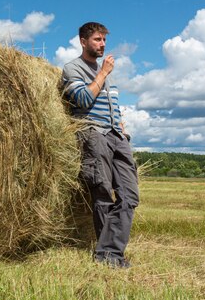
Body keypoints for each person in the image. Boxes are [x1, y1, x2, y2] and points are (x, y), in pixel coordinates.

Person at [61, 21, 139, 268]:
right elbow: (82, 100)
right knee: (102, 192)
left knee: (130, 195)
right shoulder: (72, 68)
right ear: (83, 41)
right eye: (97, 40)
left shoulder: (106, 74)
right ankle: (110, 256)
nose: (102, 44)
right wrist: (102, 73)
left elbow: (114, 106)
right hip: (93, 134)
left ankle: (108, 251)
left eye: (104, 40)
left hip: (117, 135)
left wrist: (123, 131)